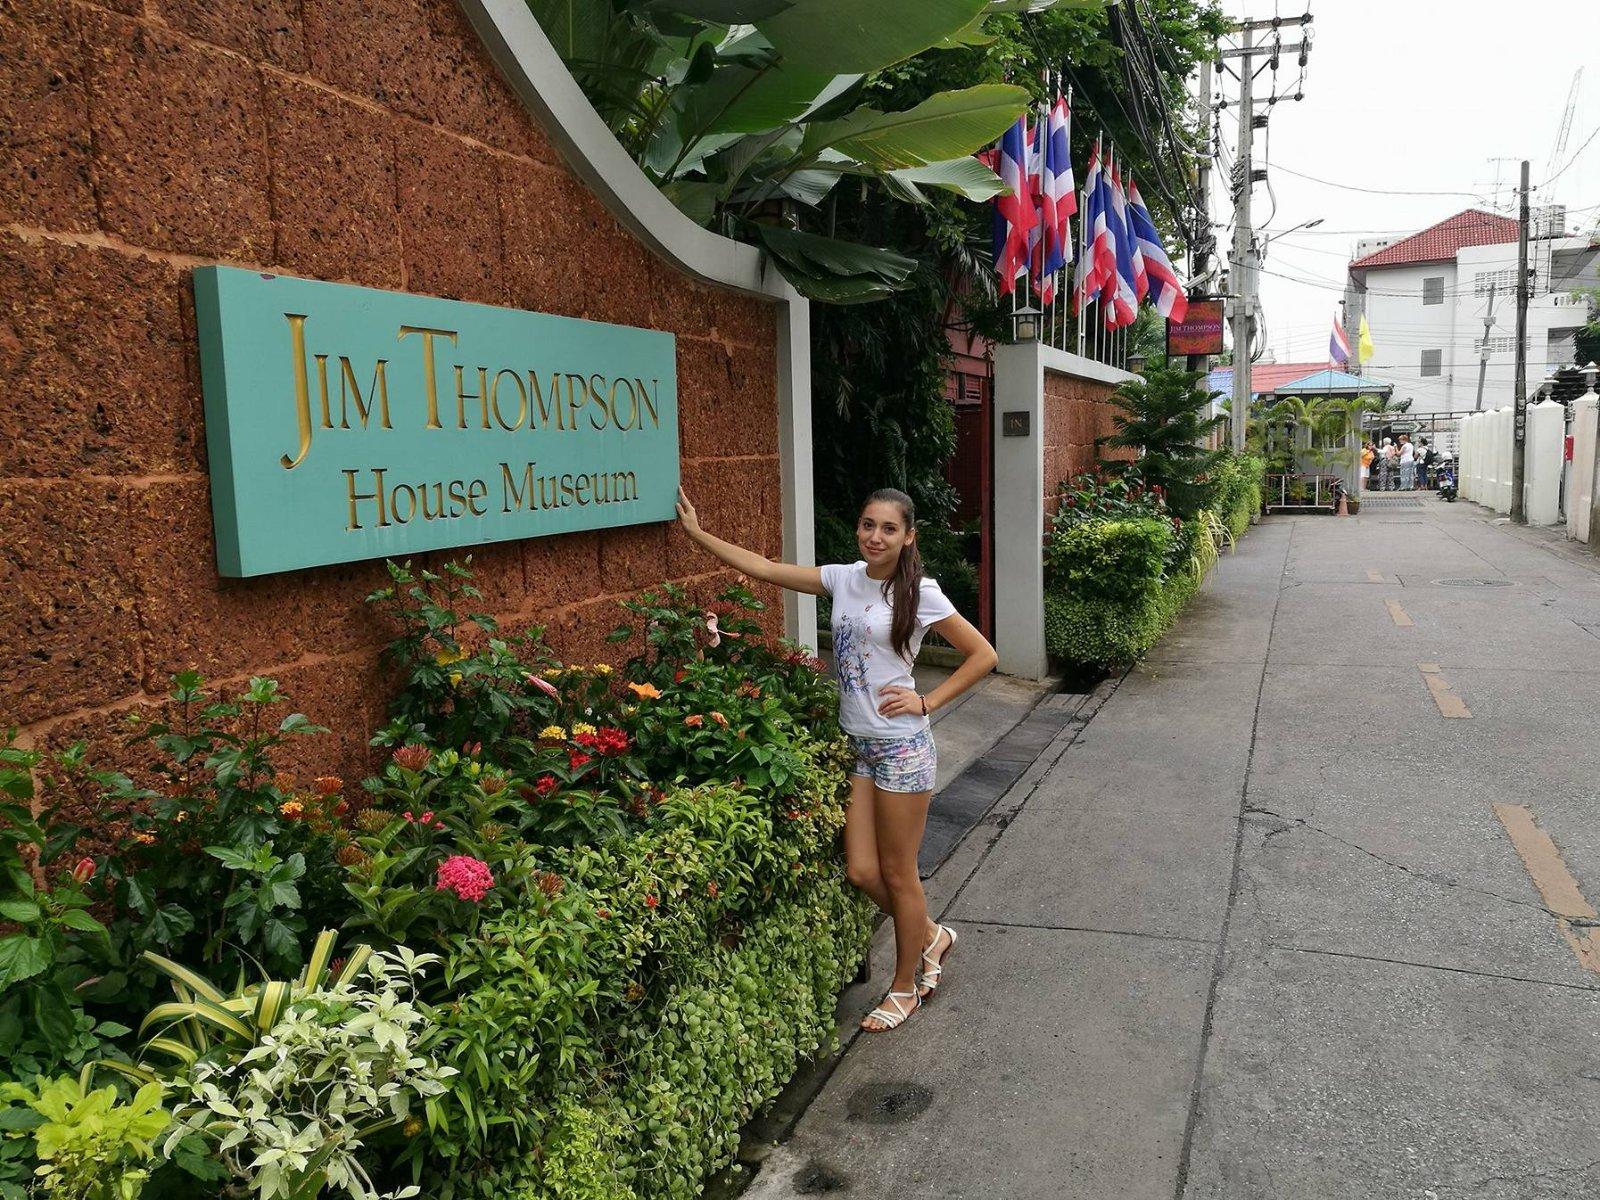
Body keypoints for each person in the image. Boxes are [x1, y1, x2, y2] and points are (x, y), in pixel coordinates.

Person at [675, 485, 998, 1033]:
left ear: (908, 537)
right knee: (861, 870)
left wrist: (926, 701)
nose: (876, 537)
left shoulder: (920, 592)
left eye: (889, 528)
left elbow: (982, 654)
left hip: (901, 747)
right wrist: (698, 534)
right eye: (868, 525)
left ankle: (905, 988)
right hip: (860, 746)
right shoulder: (843, 578)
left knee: (899, 873)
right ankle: (932, 936)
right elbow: (766, 569)